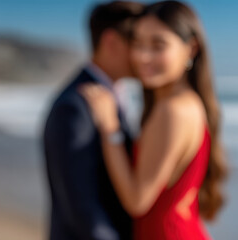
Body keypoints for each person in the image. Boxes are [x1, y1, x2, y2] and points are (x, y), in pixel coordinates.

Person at [79, 1, 227, 239]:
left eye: (158, 45)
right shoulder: (184, 102)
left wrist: (110, 128)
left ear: (191, 49)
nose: (142, 56)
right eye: (137, 43)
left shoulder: (173, 110)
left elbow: (138, 200)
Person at [43, 1, 143, 239]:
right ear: (112, 42)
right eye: (139, 43)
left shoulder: (115, 94)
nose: (145, 54)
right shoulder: (75, 107)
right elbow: (83, 209)